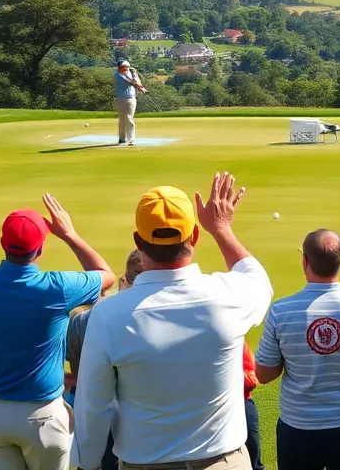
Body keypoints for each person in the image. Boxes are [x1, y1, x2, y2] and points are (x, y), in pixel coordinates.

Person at [72, 174, 274, 470]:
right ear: (194, 236)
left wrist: (87, 464)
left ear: (138, 241)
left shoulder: (108, 314)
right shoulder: (229, 295)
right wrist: (221, 229)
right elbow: (257, 279)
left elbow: (93, 406)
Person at [0, 196, 114, 470]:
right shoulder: (58, 287)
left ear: (3, 243)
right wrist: (69, 235)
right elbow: (105, 275)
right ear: (40, 248)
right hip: (43, 416)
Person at [255, 229, 340, 470]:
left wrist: (292, 358)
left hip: (298, 428)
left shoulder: (281, 311)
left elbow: (264, 374)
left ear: (305, 261)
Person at [64, 250, 145, 470]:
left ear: (124, 280)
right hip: (141, 424)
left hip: (95, 419)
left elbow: (77, 374)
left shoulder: (82, 320)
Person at [113, 60, 146, 147]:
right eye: (121, 67)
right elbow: (130, 82)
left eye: (125, 67)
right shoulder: (117, 75)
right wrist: (140, 87)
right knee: (122, 119)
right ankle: (122, 138)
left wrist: (141, 88)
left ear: (127, 67)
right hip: (120, 99)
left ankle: (132, 140)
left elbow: (137, 81)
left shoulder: (132, 71)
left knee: (129, 118)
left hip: (131, 99)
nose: (123, 69)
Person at [243, 341, 264, 470]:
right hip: (209, 407)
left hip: (242, 402)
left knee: (253, 451)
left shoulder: (237, 343)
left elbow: (252, 380)